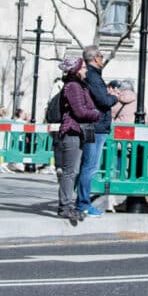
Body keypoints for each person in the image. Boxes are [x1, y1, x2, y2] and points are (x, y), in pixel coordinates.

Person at [51, 54, 99, 226]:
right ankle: (64, 206)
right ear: (76, 69)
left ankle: (68, 204)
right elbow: (79, 111)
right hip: (71, 130)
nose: (86, 69)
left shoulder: (80, 85)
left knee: (74, 170)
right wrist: (96, 114)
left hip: (78, 131)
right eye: (84, 67)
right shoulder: (73, 86)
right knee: (69, 171)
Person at [71, 46, 114, 214]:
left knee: (86, 165)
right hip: (96, 127)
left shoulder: (88, 76)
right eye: (101, 56)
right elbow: (104, 101)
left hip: (91, 126)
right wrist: (114, 96)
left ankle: (79, 201)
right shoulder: (94, 77)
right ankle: (83, 204)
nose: (102, 59)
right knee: (90, 166)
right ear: (95, 58)